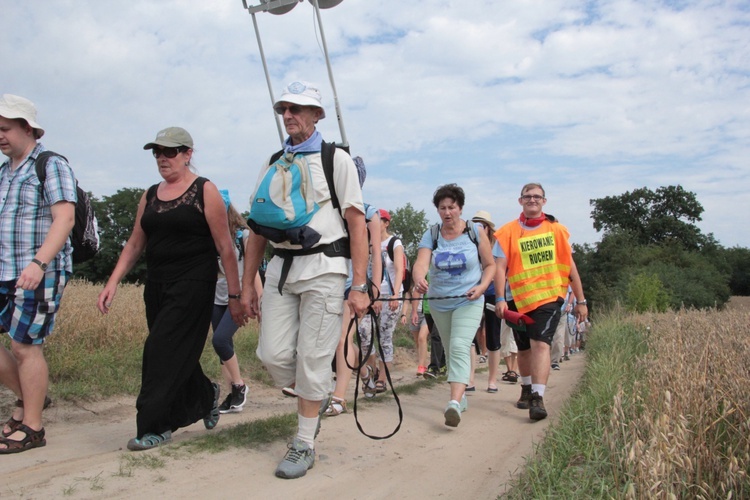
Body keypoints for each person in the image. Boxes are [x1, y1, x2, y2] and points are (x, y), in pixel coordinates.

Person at [240, 81, 369, 479]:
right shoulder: (274, 161)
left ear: (317, 115)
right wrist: (247, 284)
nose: (289, 115)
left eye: (298, 108)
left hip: (326, 269)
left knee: (313, 360)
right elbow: (256, 228)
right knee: (273, 355)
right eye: (284, 109)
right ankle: (316, 391)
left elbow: (357, 222)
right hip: (282, 269)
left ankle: (304, 443)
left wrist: (360, 284)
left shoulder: (336, 161)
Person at [97, 127, 244, 450]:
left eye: (170, 152)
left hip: (194, 283)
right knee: (174, 351)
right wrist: (113, 282)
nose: (163, 158)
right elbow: (136, 242)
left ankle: (155, 426)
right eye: (157, 153)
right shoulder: (149, 194)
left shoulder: (205, 190)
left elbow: (225, 247)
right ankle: (206, 395)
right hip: (157, 285)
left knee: (158, 351)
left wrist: (235, 296)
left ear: (188, 154)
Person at [0, 95, 76, 454]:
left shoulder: (50, 164)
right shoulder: (4, 172)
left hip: (39, 270)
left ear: (26, 128)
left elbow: (65, 218)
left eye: (4, 129)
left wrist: (39, 263)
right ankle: (31, 399)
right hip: (4, 268)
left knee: (24, 346)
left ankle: (32, 427)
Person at [493, 183, 588, 421]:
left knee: (540, 345)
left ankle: (538, 396)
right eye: (528, 196)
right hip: (517, 298)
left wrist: (581, 300)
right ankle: (526, 388)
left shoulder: (557, 231)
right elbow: (500, 268)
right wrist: (501, 299)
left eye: (537, 197)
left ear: (544, 201)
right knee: (523, 348)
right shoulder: (507, 233)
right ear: (520, 201)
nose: (532, 200)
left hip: (548, 298)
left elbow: (571, 268)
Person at [412, 184, 495, 428]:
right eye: (442, 208)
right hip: (439, 302)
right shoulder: (432, 234)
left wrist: (481, 288)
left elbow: (490, 266)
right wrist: (419, 278)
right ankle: (462, 395)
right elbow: (421, 263)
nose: (447, 212)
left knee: (459, 346)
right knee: (450, 348)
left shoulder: (474, 232)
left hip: (468, 300)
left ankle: (454, 403)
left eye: (452, 207)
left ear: (460, 208)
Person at [326, 157, 383, 417]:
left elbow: (377, 256)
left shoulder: (370, 212)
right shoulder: (328, 208)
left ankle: (339, 398)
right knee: (339, 339)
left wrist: (375, 292)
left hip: (353, 285)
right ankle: (364, 371)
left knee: (341, 339)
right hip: (328, 280)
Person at [211, 193, 262, 413]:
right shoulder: (209, 238)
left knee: (220, 340)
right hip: (216, 299)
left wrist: (259, 300)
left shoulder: (244, 236)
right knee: (224, 349)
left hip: (239, 297)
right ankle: (233, 393)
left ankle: (240, 386)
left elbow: (255, 271)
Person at [358, 209, 404, 394]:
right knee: (364, 333)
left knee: (385, 336)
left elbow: (400, 270)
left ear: (386, 223)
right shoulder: (368, 243)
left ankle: (383, 379)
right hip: (371, 297)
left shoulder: (394, 243)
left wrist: (395, 295)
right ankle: (373, 369)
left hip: (390, 296)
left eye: (380, 220)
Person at [470, 210, 504, 392]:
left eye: (481, 224)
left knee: (493, 336)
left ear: (488, 228)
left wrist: (500, 297)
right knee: (470, 335)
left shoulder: (497, 246)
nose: (478, 227)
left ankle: (492, 380)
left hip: (491, 293)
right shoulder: (468, 243)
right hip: (473, 293)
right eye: (475, 223)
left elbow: (500, 271)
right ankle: (470, 379)